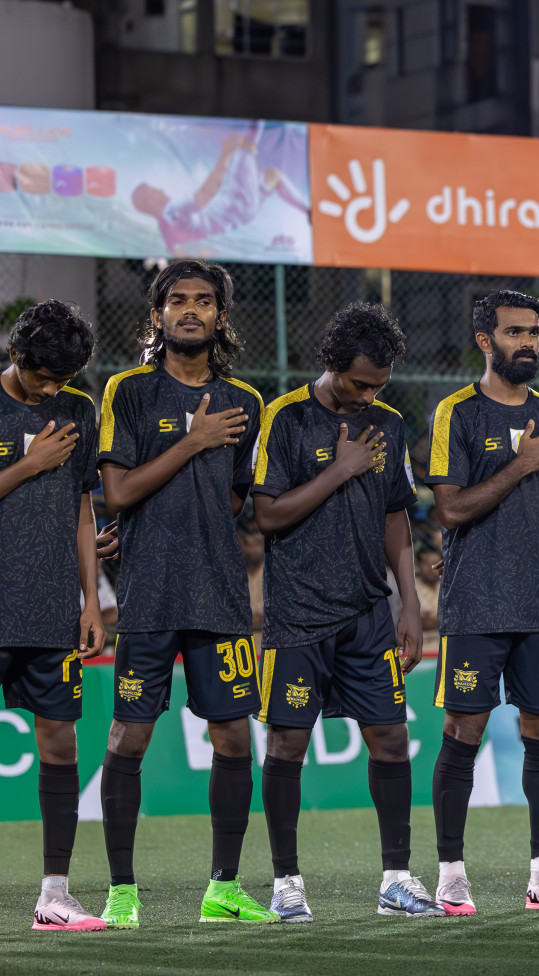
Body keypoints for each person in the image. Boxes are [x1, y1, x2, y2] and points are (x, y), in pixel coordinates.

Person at [95, 260, 274, 927]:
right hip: (147, 592)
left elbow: (233, 496)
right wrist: (193, 441)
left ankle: (223, 888)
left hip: (219, 595)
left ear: (222, 317)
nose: (190, 310)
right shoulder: (130, 391)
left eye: (204, 301)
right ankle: (121, 892)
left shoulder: (247, 403)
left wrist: (193, 495)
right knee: (129, 738)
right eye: (177, 301)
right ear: (157, 315)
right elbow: (117, 493)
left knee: (233, 739)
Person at [253, 302, 436, 921]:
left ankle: (397, 879)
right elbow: (267, 515)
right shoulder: (284, 417)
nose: (368, 395)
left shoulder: (387, 422)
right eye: (360, 383)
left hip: (367, 613)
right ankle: (286, 883)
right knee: (288, 744)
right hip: (298, 613)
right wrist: (339, 469)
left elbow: (395, 515)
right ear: (330, 364)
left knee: (390, 739)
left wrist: (408, 602)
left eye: (379, 385)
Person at [426, 290, 539, 913]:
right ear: (485, 341)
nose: (527, 342)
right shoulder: (457, 413)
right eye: (514, 332)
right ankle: (450, 875)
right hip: (474, 601)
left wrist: (530, 472)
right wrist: (521, 464)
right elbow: (450, 510)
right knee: (463, 731)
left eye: (533, 332)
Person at [0, 300, 109, 931]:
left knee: (61, 746)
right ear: (16, 354)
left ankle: (54, 894)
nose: (51, 390)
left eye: (61, 380)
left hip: (49, 610)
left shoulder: (77, 409)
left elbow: (82, 509)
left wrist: (90, 600)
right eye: (42, 378)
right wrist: (27, 465)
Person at [132, 130, 306, 255]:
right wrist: (226, 153)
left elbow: (177, 252)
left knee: (273, 175)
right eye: (153, 190)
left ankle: (309, 211)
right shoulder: (172, 211)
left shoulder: (165, 229)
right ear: (148, 200)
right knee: (247, 145)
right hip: (236, 205)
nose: (160, 189)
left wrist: (200, 255)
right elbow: (207, 193)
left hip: (241, 215)